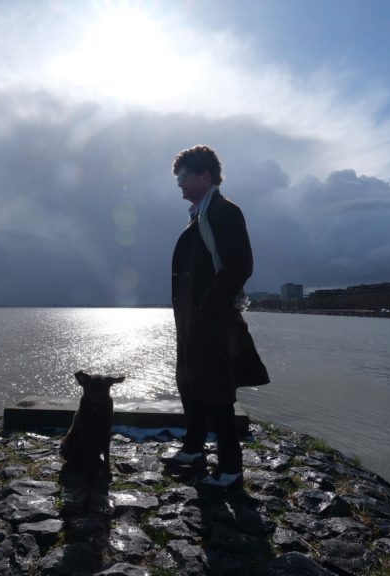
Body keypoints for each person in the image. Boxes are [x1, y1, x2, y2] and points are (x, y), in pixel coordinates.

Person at [165, 145, 270, 489]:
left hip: (209, 320)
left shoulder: (222, 211)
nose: (178, 183)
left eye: (183, 176)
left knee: (215, 392)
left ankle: (230, 469)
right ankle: (194, 448)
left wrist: (206, 307)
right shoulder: (202, 214)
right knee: (190, 385)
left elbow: (241, 265)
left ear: (204, 176)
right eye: (177, 177)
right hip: (195, 321)